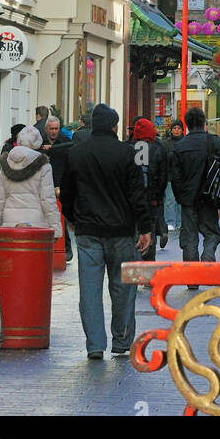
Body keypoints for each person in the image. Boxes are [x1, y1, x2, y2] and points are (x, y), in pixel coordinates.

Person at [59, 104, 156, 360]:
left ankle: (95, 345)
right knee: (124, 287)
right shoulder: (127, 153)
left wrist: (72, 218)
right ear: (114, 126)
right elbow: (138, 194)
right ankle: (122, 340)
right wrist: (145, 228)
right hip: (121, 230)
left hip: (88, 230)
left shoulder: (77, 153)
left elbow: (67, 192)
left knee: (89, 290)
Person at [169, 107, 220, 265]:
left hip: (188, 198)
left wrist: (180, 197)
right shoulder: (213, 141)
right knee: (211, 233)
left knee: (189, 238)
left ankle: (192, 277)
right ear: (204, 122)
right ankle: (208, 254)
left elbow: (175, 177)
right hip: (209, 196)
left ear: (187, 124)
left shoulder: (180, 146)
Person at [0, 125, 61, 234]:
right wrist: (56, 228)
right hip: (36, 221)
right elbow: (48, 199)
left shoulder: (6, 164)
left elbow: (0, 199)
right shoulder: (43, 165)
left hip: (9, 220)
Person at [132, 117, 168, 259]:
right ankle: (148, 268)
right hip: (151, 200)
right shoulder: (158, 150)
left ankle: (135, 263)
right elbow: (163, 178)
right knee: (150, 232)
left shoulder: (128, 149)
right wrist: (158, 198)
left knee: (134, 234)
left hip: (132, 201)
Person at [41, 113, 74, 260]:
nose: (54, 131)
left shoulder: (65, 142)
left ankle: (66, 248)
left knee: (62, 218)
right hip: (44, 184)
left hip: (61, 185)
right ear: (46, 129)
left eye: (56, 128)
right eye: (51, 129)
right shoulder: (39, 142)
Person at [161, 120, 184, 235]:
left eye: (179, 128)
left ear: (182, 130)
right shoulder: (165, 143)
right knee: (170, 200)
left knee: (181, 201)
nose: (176, 130)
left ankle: (180, 222)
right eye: (174, 128)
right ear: (171, 130)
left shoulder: (185, 142)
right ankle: (169, 221)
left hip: (182, 177)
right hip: (169, 176)